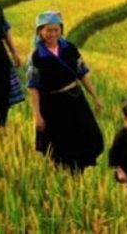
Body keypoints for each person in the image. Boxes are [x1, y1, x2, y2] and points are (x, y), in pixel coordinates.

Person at [27, 11, 104, 172]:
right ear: (40, 31)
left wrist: (95, 96)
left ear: (61, 30)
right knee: (61, 143)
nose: (52, 34)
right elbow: (33, 87)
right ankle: (66, 176)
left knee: (88, 135)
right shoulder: (36, 56)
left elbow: (82, 73)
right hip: (53, 105)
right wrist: (37, 114)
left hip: (75, 99)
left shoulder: (69, 48)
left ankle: (79, 172)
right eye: (48, 30)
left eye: (56, 30)